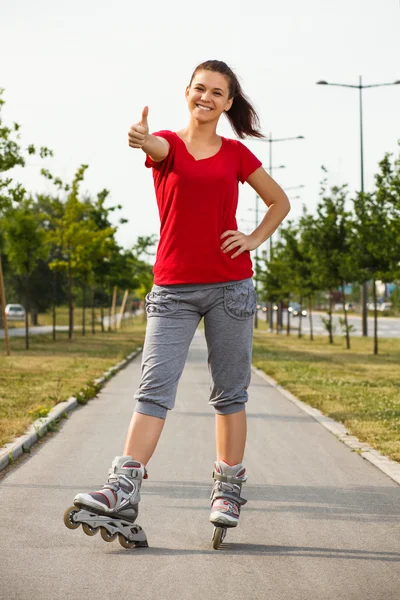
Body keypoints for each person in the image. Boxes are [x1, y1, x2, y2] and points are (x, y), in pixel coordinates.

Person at [71, 59, 290, 543]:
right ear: (187, 92)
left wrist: (252, 239)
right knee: (154, 390)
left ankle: (227, 490)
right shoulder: (168, 143)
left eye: (217, 92)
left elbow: (280, 202)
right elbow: (154, 145)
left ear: (228, 102)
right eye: (199, 88)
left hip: (231, 288)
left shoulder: (236, 155)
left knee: (229, 393)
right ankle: (122, 488)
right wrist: (140, 137)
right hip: (171, 291)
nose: (206, 97)